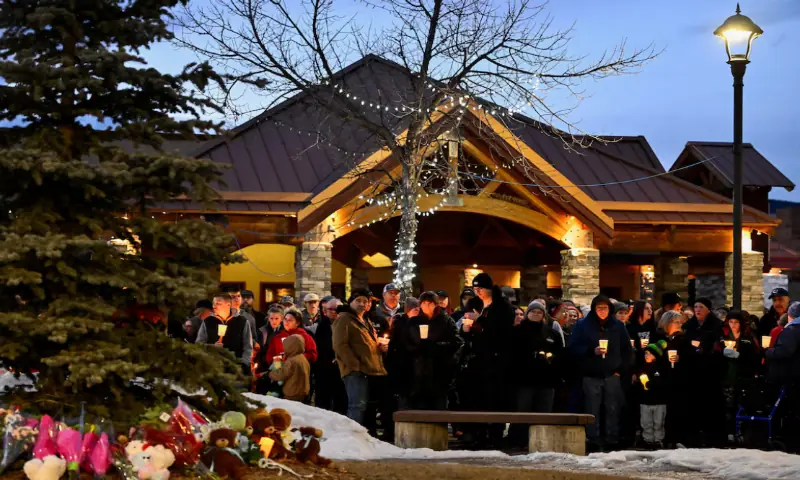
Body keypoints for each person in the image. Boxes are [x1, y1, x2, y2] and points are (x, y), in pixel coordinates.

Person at [567, 294, 633, 451]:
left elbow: (626, 350)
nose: (602, 311)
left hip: (612, 374)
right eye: (599, 308)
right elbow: (573, 348)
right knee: (592, 408)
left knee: (612, 407)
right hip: (591, 374)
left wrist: (620, 370)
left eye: (605, 308)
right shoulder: (583, 325)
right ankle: (593, 439)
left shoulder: (617, 326)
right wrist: (591, 351)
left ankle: (612, 438)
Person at [460, 273, 516, 447]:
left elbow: (502, 331)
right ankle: (476, 433)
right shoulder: (474, 304)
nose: (478, 292)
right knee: (475, 397)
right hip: (476, 359)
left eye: (481, 289)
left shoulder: (502, 307)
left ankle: (495, 435)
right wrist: (466, 329)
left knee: (495, 398)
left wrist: (481, 322)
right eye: (475, 289)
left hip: (496, 360)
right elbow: (466, 329)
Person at [509, 301, 563, 446]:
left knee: (544, 411)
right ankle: (519, 440)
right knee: (523, 410)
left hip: (546, 379)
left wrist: (551, 358)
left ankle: (542, 441)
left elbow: (560, 354)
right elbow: (512, 355)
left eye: (539, 312)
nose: (536, 314)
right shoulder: (517, 332)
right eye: (533, 312)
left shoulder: (552, 333)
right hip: (524, 379)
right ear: (528, 314)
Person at [333, 289, 388, 427]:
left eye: (365, 301)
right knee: (356, 406)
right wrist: (354, 365)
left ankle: (361, 439)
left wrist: (379, 348)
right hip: (356, 371)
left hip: (370, 370)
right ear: (350, 302)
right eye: (358, 301)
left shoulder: (364, 320)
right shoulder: (344, 319)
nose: (362, 304)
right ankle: (351, 438)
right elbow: (340, 345)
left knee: (365, 407)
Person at [406, 292, 462, 410]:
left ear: (436, 305)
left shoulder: (446, 321)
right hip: (418, 372)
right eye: (424, 303)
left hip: (439, 371)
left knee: (438, 406)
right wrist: (418, 348)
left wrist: (436, 346)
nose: (427, 306)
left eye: (430, 303)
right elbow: (405, 344)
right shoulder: (414, 322)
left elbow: (456, 342)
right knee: (420, 407)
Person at [682, 296, 725, 446]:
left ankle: (712, 437)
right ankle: (693, 437)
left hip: (710, 371)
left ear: (708, 310)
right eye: (696, 307)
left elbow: (717, 346)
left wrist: (704, 351)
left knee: (710, 405)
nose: (698, 310)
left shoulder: (716, 326)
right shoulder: (690, 325)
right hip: (692, 370)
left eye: (701, 307)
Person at [717, 310, 761, 443]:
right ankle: (729, 432)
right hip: (727, 376)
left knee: (742, 405)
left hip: (743, 376)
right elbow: (714, 351)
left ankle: (742, 433)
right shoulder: (722, 335)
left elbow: (755, 355)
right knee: (728, 406)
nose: (733, 325)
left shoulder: (748, 337)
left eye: (736, 322)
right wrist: (722, 352)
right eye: (730, 322)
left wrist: (740, 356)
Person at [649, 310, 691, 448]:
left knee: (677, 409)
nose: (679, 325)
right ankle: (660, 438)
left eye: (680, 322)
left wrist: (681, 359)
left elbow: (691, 358)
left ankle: (677, 438)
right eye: (676, 322)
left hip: (678, 380)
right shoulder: (658, 338)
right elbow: (652, 356)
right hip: (662, 378)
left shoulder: (683, 339)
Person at [196, 293, 253, 376]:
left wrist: (243, 364)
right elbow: (198, 344)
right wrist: (212, 346)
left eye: (218, 304)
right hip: (214, 370)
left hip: (237, 370)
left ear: (228, 305)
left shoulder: (242, 322)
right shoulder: (208, 322)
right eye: (213, 303)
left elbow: (248, 346)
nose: (214, 306)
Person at [312, 298, 348, 415]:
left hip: (343, 369)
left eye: (337, 309)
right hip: (324, 370)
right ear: (325, 311)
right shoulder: (321, 327)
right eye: (331, 309)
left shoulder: (348, 324)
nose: (334, 312)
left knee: (341, 402)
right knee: (323, 404)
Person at [386, 297, 420, 410]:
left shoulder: (417, 322)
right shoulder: (401, 324)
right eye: (416, 310)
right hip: (402, 365)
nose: (418, 313)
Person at [636, 339, 669, 449]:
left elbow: (662, 382)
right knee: (646, 422)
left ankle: (658, 440)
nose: (646, 355)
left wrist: (652, 383)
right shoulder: (643, 367)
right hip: (645, 400)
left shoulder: (661, 368)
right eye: (645, 353)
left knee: (658, 422)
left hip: (659, 401)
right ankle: (648, 440)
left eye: (649, 353)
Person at [765, 301, 800, 386]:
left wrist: (768, 351)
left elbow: (784, 351)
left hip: (791, 374)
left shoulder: (791, 330)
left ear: (789, 315)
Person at [268, 334, 311, 402]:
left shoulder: (291, 361)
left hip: (292, 393)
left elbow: (281, 375)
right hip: (303, 391)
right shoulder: (303, 358)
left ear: (290, 347)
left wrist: (270, 373)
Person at [255, 306, 285, 394]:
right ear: (268, 318)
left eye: (277, 318)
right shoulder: (262, 331)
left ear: (282, 319)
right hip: (263, 363)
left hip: (279, 363)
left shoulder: (284, 331)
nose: (274, 321)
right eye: (271, 318)